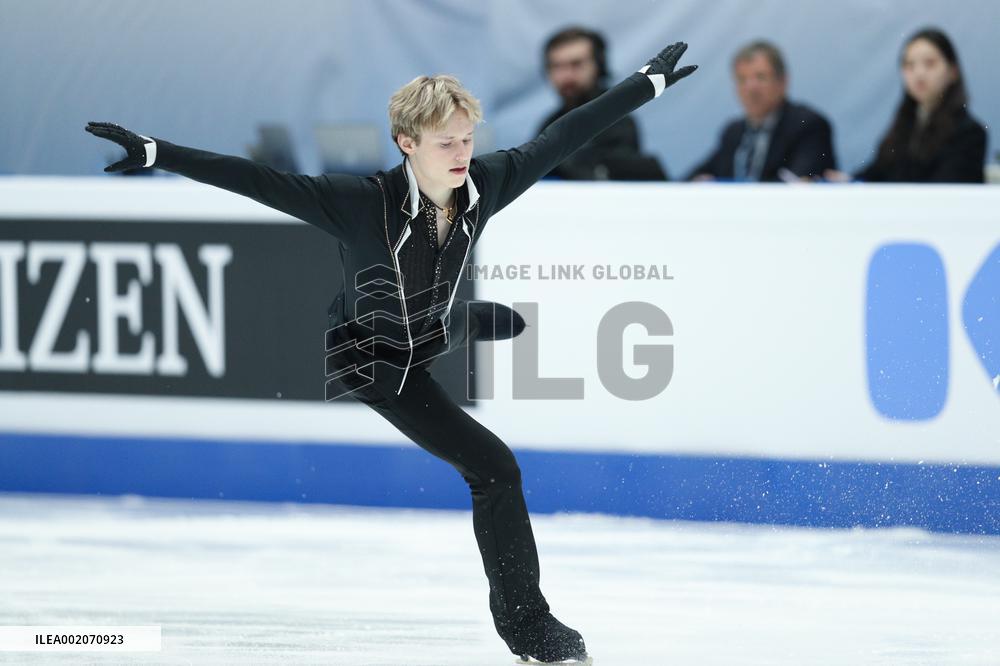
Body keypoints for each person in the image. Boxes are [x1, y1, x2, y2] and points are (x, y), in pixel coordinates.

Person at [85, 41, 697, 664]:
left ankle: (463, 321)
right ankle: (528, 627)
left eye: (467, 139)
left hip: (425, 324)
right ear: (407, 143)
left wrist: (645, 85)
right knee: (496, 470)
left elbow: (564, 136)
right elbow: (257, 180)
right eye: (446, 143)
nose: (462, 155)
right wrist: (157, 153)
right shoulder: (358, 203)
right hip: (370, 360)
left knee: (445, 324)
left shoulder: (483, 183)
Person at [825, 28, 987, 184]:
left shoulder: (970, 134)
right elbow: (877, 172)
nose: (919, 73)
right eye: (909, 65)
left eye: (930, 63)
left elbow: (945, 194)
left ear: (953, 71)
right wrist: (848, 181)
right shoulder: (903, 126)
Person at [687, 40, 836, 182]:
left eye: (760, 77)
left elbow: (796, 185)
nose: (751, 88)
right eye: (742, 79)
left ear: (783, 81)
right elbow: (692, 179)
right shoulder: (733, 132)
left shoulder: (808, 125)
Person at [537, 26, 667, 181]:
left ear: (598, 65)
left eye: (576, 64)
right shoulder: (549, 123)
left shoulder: (618, 120)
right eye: (557, 66)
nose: (566, 76)